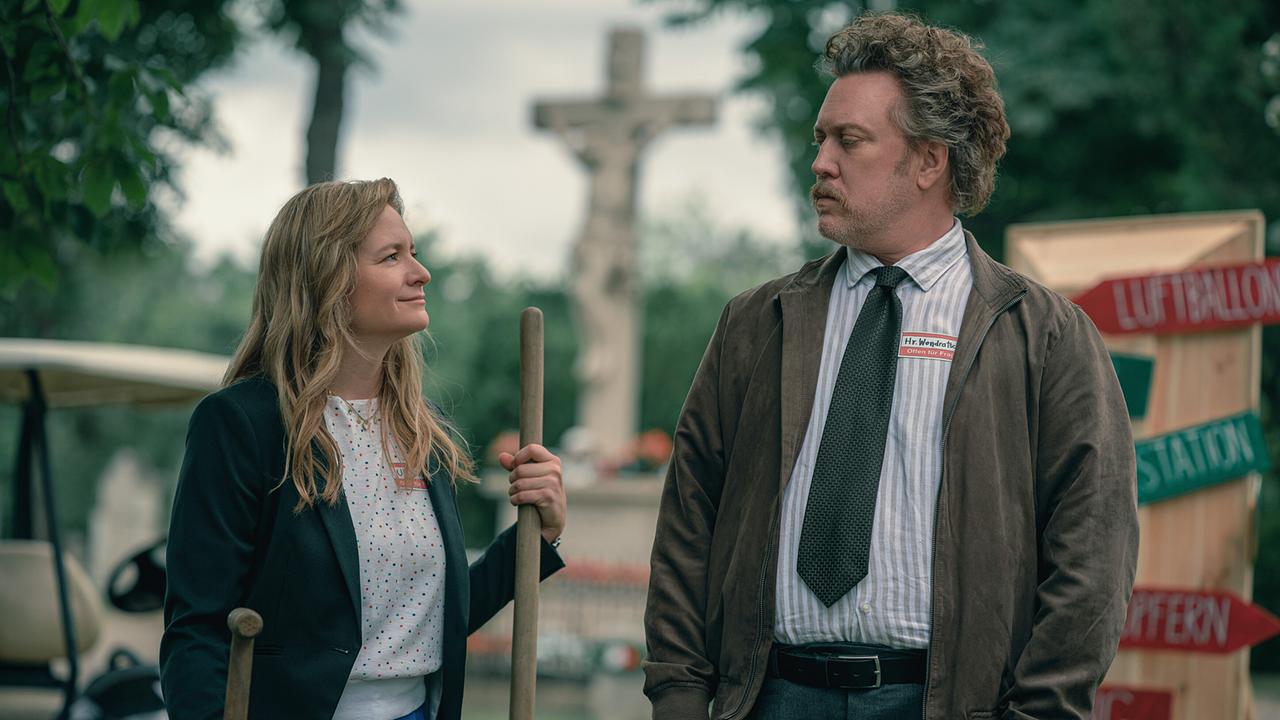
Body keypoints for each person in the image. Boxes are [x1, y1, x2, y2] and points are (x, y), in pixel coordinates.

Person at [643, 12, 1138, 720]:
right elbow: (689, 519)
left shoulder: (1044, 334)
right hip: (767, 698)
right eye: (821, 139)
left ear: (930, 160)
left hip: (944, 704)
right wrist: (680, 697)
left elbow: (1093, 549)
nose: (821, 162)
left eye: (850, 140)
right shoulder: (755, 324)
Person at [160, 178, 567, 720]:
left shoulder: (423, 430)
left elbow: (432, 616)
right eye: (392, 257)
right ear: (327, 277)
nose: (420, 273)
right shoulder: (242, 424)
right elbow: (196, 630)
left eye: (414, 254)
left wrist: (540, 532)